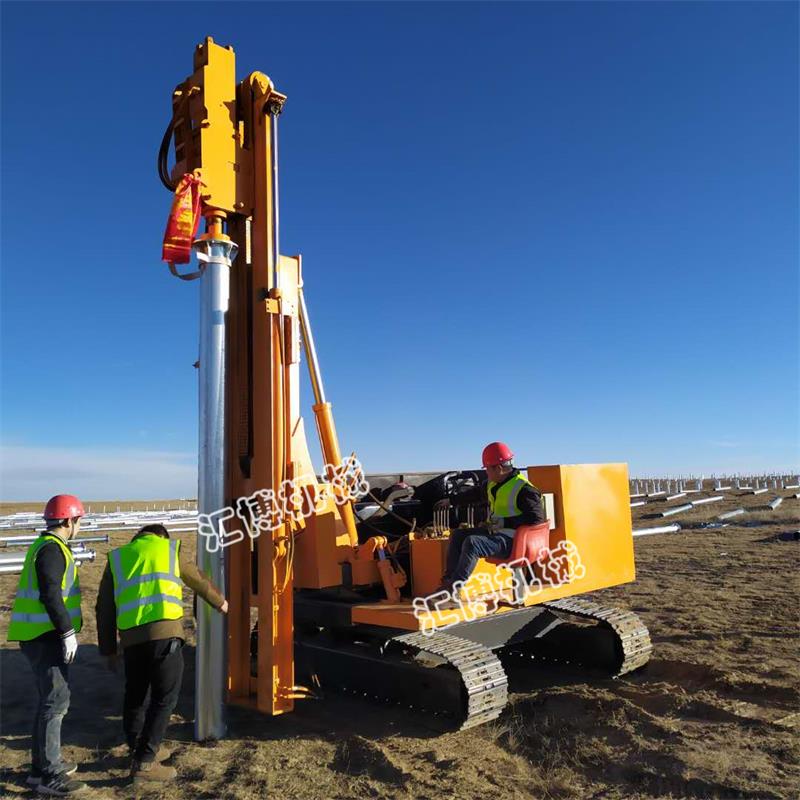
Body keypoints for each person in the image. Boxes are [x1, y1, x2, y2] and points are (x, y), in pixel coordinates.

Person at [95, 523, 228, 784]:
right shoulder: (169, 550)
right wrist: (221, 602)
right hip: (164, 637)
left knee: (135, 694)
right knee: (164, 699)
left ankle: (139, 746)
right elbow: (197, 579)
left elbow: (104, 608)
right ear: (162, 536)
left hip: (131, 640)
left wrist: (109, 650)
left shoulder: (118, 558)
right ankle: (145, 762)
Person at [7, 494, 88, 796]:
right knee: (55, 703)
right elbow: (50, 593)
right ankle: (49, 774)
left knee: (48, 702)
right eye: (79, 520)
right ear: (69, 521)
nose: (79, 526)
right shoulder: (53, 550)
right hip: (46, 638)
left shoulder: (46, 547)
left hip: (40, 636)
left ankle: (39, 768)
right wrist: (67, 632)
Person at [434, 442, 545, 593]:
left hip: (514, 541)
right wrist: (451, 501)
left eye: (487, 469)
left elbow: (537, 521)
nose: (486, 473)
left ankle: (454, 591)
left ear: (498, 468)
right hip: (497, 535)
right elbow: (475, 494)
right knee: (458, 535)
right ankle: (448, 583)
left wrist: (503, 522)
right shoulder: (493, 483)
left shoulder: (524, 490)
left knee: (473, 543)